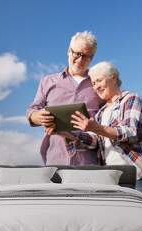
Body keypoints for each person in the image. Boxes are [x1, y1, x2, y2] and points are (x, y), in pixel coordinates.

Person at [63, 61, 142, 197]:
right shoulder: (100, 113)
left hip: (138, 174)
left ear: (113, 78)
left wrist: (97, 128)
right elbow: (94, 141)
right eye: (93, 84)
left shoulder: (130, 99)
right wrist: (66, 133)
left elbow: (131, 132)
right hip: (112, 178)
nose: (96, 87)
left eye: (99, 81)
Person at [27, 31, 104, 165]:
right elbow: (33, 110)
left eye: (86, 56)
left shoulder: (98, 85)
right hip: (55, 158)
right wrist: (37, 116)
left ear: (92, 58)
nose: (80, 60)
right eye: (77, 54)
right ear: (69, 51)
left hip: (88, 161)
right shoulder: (48, 81)